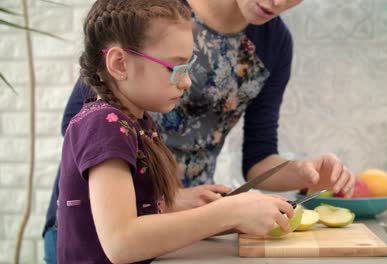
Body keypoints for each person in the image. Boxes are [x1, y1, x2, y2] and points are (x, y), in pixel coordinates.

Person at [45, 0, 356, 262]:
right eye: (176, 68)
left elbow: (258, 154)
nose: (187, 81)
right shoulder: (106, 121)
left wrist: (297, 176)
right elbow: (121, 241)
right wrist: (222, 211)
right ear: (120, 64)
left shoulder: (140, 122)